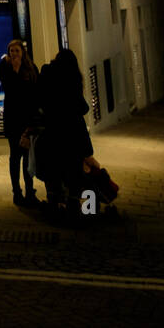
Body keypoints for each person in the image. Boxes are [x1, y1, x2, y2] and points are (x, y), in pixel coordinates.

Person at [35, 48, 94, 222]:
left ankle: (54, 206)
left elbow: (39, 99)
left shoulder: (47, 74)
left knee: (53, 171)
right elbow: (82, 107)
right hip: (72, 134)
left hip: (52, 132)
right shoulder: (72, 79)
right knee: (73, 174)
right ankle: (74, 209)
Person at [0, 39, 40, 205]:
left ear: (22, 52)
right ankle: (17, 192)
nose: (14, 54)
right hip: (13, 118)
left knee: (28, 157)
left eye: (16, 51)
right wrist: (14, 70)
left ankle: (30, 190)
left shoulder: (30, 68)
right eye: (11, 51)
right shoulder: (5, 66)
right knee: (15, 156)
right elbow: (9, 89)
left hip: (27, 119)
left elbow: (35, 91)